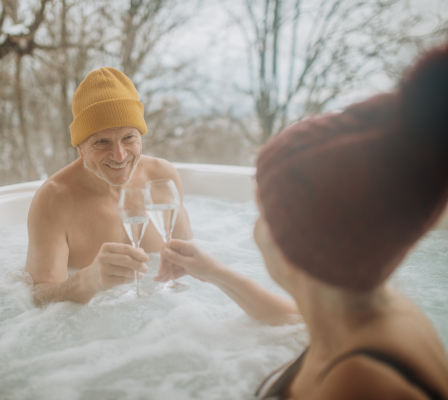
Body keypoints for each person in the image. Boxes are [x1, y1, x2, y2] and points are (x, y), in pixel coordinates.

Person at [159, 44, 448, 399]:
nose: (254, 228)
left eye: (264, 213)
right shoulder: (363, 307)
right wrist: (214, 272)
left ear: (297, 247)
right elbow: (295, 316)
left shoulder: (363, 382)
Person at [25, 67, 193, 305]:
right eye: (102, 141)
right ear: (80, 148)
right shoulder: (54, 199)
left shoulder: (162, 178)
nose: (119, 155)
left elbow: (190, 258)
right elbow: (37, 298)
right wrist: (87, 281)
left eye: (128, 138)